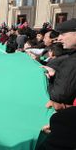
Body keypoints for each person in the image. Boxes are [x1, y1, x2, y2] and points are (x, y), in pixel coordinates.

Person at [40, 18, 76, 150]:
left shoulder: (72, 61)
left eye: (63, 34)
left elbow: (59, 96)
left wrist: (49, 79)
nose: (59, 38)